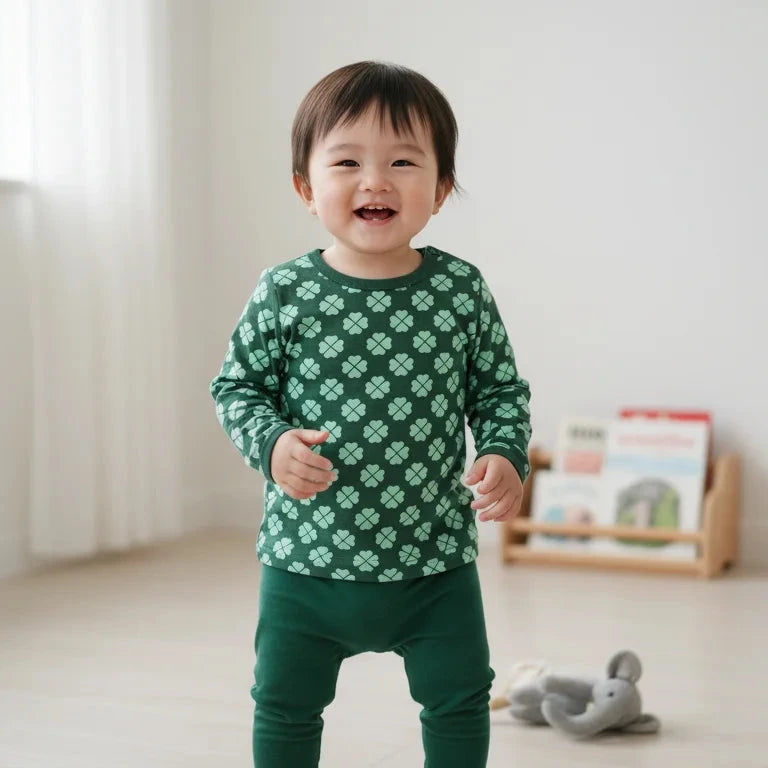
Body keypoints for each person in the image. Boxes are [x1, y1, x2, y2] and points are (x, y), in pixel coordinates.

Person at [210, 60, 532, 768]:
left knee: (459, 699)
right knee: (285, 704)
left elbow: (500, 392)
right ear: (306, 187)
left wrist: (504, 452)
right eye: (348, 161)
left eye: (403, 162)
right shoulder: (285, 291)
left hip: (434, 561)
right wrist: (272, 444)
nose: (375, 181)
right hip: (306, 560)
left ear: (440, 189)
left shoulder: (459, 290)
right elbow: (236, 388)